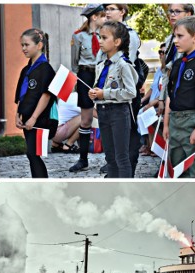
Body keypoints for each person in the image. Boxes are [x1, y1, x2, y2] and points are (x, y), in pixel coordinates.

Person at [163, 16, 195, 177]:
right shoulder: (178, 63)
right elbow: (171, 95)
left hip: (193, 120)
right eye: (175, 37)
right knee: (178, 168)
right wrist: (166, 124)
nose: (176, 41)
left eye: (180, 36)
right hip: (175, 121)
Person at [87, 21, 139, 178]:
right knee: (109, 157)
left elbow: (131, 92)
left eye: (104, 38)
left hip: (119, 113)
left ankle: (125, 193)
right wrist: (95, 95)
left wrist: (105, 94)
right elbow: (102, 85)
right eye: (99, 37)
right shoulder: (102, 64)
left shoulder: (123, 64)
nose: (100, 41)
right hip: (104, 112)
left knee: (121, 157)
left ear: (117, 42)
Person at [15, 28, 58, 178]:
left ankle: (41, 181)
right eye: (22, 45)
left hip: (39, 119)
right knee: (32, 155)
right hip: (26, 118)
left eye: (26, 45)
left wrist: (33, 117)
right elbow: (21, 95)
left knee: (33, 153)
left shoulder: (45, 69)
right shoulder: (26, 69)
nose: (23, 49)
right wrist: (17, 115)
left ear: (39, 45)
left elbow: (46, 95)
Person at [70, 4, 106, 170]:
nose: (105, 19)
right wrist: (78, 82)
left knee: (106, 116)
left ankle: (109, 160)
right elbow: (74, 62)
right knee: (86, 120)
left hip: (102, 75)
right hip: (85, 75)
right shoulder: (78, 36)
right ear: (94, 17)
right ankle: (83, 159)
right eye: (103, 16)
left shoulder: (106, 35)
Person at [158, 4, 195, 116]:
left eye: (177, 11)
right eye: (171, 11)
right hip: (170, 94)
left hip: (186, 98)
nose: (172, 15)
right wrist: (161, 99)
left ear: (188, 14)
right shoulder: (169, 39)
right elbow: (166, 71)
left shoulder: (194, 38)